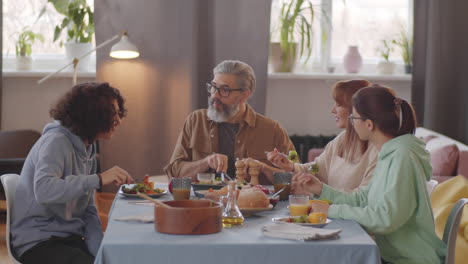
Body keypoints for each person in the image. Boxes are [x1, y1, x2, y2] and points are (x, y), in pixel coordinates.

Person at [293, 85, 446, 264]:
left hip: (408, 259)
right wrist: (321, 189)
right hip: (390, 255)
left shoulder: (402, 157)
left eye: (354, 117)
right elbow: (363, 199)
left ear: (369, 124)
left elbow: (386, 219)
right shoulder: (389, 153)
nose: (352, 122)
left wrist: (331, 210)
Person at [10, 82, 134, 264]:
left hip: (69, 239)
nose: (119, 120)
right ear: (92, 116)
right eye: (112, 113)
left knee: (118, 257)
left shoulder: (87, 148)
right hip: (39, 242)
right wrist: (98, 179)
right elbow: (44, 190)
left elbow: (88, 211)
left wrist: (99, 252)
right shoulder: (56, 142)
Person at [164, 60, 295, 184]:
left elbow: (296, 179)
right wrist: (205, 162)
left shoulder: (271, 130)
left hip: (253, 205)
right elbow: (174, 175)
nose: (215, 95)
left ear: (245, 95)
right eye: (213, 87)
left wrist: (264, 168)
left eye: (225, 90)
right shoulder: (196, 121)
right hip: (204, 203)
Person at [266, 80, 378, 191]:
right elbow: (316, 167)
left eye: (338, 105)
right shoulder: (341, 139)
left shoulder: (376, 148)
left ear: (355, 109)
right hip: (327, 207)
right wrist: (292, 166)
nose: (333, 110)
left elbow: (362, 198)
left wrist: (325, 199)